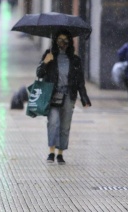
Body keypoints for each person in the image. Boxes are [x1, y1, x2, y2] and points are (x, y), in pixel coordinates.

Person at [36, 30, 91, 165]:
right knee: (53, 122)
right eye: (60, 39)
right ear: (55, 40)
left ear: (70, 42)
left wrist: (84, 98)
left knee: (65, 125)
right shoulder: (49, 55)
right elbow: (39, 73)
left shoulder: (75, 59)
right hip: (53, 94)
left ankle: (60, 153)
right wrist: (45, 62)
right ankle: (51, 152)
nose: (63, 43)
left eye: (66, 40)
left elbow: (80, 81)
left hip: (68, 95)